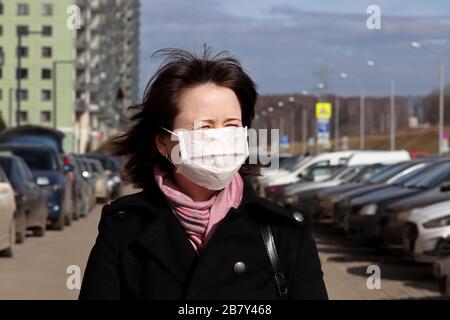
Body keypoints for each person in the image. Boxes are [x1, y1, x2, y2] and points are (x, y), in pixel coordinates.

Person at [79, 46, 328, 300]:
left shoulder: (283, 232)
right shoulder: (124, 230)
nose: (219, 137)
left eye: (231, 125)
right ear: (164, 143)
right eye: (204, 126)